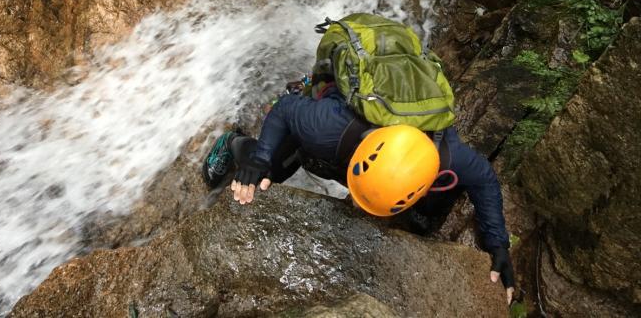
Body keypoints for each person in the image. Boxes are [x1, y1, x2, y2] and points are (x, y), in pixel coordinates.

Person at [202, 80, 516, 305]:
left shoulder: (449, 158)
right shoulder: (328, 126)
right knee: (272, 173)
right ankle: (232, 142)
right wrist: (258, 160)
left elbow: (485, 180)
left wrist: (498, 244)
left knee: (432, 210)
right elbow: (283, 111)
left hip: (375, 147)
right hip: (332, 120)